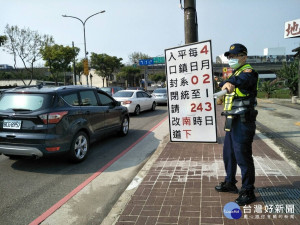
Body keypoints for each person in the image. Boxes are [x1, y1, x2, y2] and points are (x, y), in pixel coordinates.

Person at [215, 43, 259, 206]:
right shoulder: (236, 72)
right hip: (232, 121)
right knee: (229, 154)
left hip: (243, 121)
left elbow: (239, 81)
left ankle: (248, 190)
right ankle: (230, 182)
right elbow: (229, 84)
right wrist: (224, 88)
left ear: (244, 57)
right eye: (230, 57)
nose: (231, 59)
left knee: (243, 156)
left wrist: (228, 83)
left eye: (235, 56)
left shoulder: (249, 72)